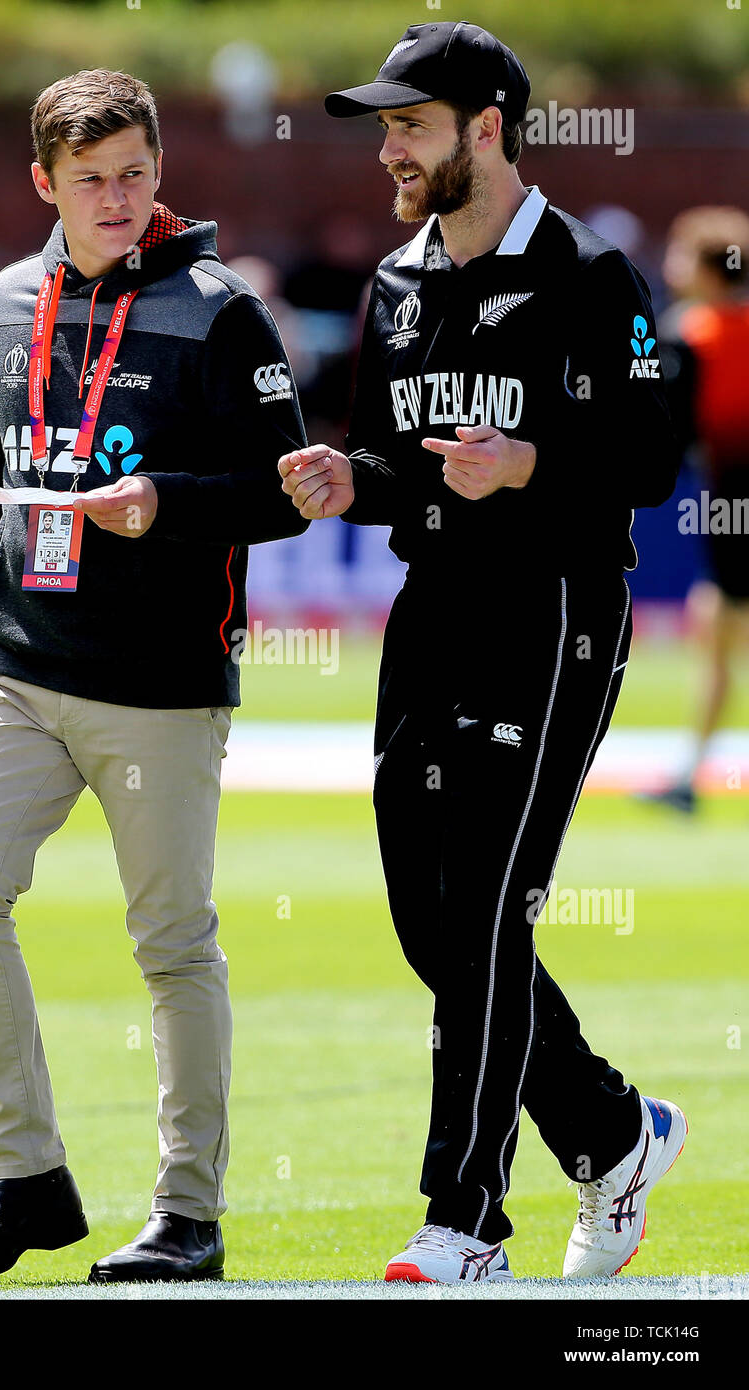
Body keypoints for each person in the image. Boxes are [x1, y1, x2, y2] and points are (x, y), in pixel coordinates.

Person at [280, 20, 686, 1283]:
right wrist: (354, 478)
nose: (388, 149)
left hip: (555, 611)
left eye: (410, 124)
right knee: (432, 923)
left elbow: (651, 465)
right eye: (385, 126)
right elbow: (409, 468)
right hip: (434, 612)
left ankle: (464, 1223)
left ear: (488, 129)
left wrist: (529, 466)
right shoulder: (394, 285)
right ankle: (615, 1133)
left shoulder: (588, 271)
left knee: (493, 912)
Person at [0, 67, 307, 1285]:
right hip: (19, 675)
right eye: (91, 179)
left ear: (157, 171)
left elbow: (288, 494)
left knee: (172, 945)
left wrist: (166, 505)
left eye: (135, 172)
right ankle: (26, 1181)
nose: (118, 198)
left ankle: (188, 1214)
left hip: (164, 685)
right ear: (44, 182)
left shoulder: (221, 309)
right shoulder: (0, 302)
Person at [642, 207, 749, 813]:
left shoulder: (692, 333)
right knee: (715, 627)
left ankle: (688, 776)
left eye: (684, 254)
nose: (673, 265)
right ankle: (689, 774)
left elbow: (669, 433)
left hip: (732, 505)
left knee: (718, 630)